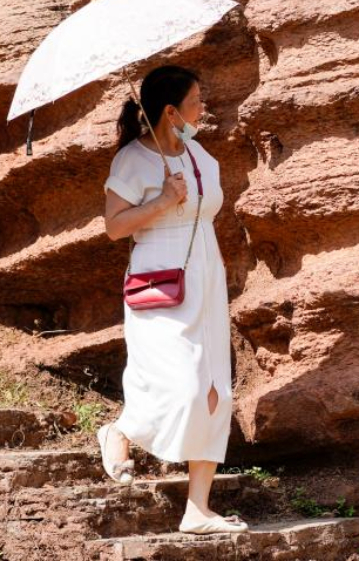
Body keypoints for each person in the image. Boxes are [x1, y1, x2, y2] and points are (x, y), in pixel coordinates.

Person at [97, 64, 248, 535]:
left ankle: (197, 510)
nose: (204, 108)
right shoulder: (132, 160)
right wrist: (162, 201)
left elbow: (207, 211)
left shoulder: (203, 156)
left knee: (214, 391)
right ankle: (121, 431)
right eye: (196, 101)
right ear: (169, 110)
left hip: (206, 270)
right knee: (181, 383)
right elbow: (115, 227)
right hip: (158, 276)